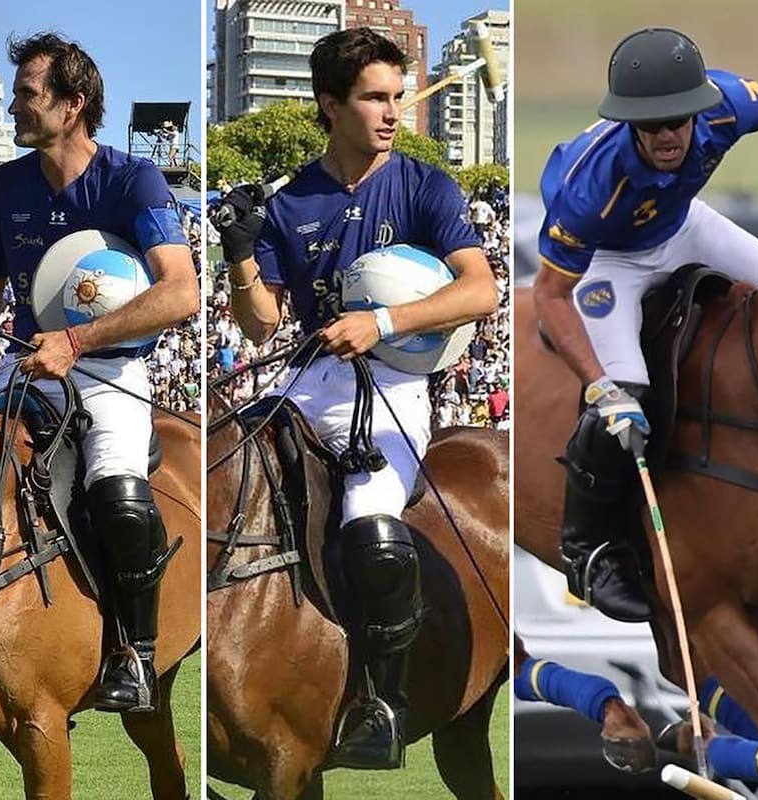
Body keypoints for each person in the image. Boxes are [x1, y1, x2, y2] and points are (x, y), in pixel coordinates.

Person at [213, 27, 497, 769]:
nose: (393, 112)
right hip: (304, 381)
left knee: (371, 527)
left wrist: (384, 322)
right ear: (329, 105)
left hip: (395, 387)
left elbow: (481, 290)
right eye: (375, 97)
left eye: (398, 97)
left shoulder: (423, 186)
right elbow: (262, 323)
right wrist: (241, 254)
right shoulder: (289, 201)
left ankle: (381, 698)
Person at [0, 33, 198, 712]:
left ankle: (134, 654)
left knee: (118, 493)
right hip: (25, 366)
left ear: (72, 104)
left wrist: (78, 340)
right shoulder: (9, 183)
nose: (14, 104)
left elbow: (182, 291)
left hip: (109, 372)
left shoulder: (131, 179)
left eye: (28, 92)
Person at [534, 27, 758, 622]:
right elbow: (552, 295)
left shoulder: (729, 104)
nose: (667, 135)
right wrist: (600, 388)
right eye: (651, 125)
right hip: (611, 258)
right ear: (630, 121)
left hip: (686, 224)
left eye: (677, 121)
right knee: (623, 399)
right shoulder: (591, 188)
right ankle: (588, 551)